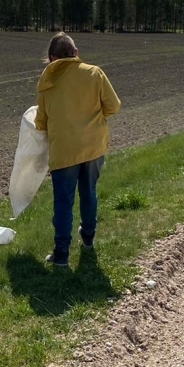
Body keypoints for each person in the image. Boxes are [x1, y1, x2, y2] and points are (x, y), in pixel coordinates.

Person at [34, 32, 121, 267]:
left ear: (51, 58)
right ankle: (88, 238)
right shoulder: (94, 73)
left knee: (63, 202)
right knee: (89, 192)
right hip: (93, 146)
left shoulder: (46, 81)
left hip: (64, 151)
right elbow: (113, 106)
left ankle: (61, 254)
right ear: (75, 52)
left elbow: (41, 121)